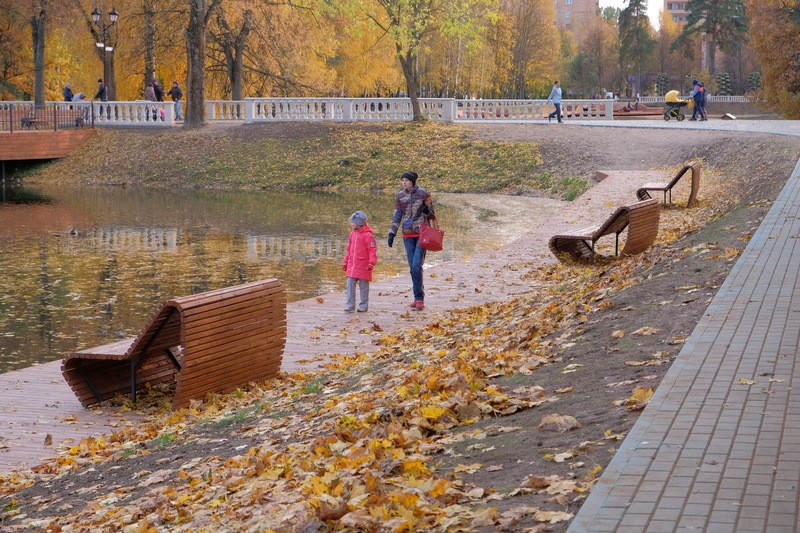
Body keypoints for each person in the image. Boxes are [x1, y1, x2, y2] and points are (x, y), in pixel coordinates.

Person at [387, 171, 435, 310]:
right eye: (402, 180)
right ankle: (417, 298)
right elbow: (397, 215)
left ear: (413, 181)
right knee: (412, 268)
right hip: (407, 235)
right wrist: (392, 233)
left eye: (406, 180)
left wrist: (427, 211)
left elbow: (432, 216)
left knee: (416, 265)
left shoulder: (423, 194)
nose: (404, 183)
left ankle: (419, 298)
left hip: (422, 234)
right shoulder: (400, 196)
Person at [342, 211, 377, 313]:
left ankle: (363, 305)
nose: (351, 224)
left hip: (364, 265)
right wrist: (345, 262)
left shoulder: (368, 236)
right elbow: (349, 249)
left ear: (358, 223)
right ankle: (350, 305)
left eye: (352, 222)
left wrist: (371, 262)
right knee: (349, 285)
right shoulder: (352, 234)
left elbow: (372, 250)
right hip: (352, 265)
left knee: (363, 286)